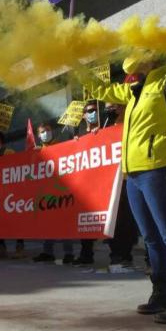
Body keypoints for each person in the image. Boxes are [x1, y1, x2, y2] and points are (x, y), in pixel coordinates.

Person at [86, 54, 166, 324]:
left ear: (150, 57)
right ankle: (161, 293)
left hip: (159, 169)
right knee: (151, 238)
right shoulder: (134, 89)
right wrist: (75, 69)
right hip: (133, 175)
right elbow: (102, 89)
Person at [103, 102, 140, 268]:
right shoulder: (105, 125)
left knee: (128, 219)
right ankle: (116, 253)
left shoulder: (132, 119)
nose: (112, 110)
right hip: (110, 181)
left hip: (128, 177)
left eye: (115, 106)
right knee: (113, 220)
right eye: (108, 108)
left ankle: (126, 253)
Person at [32, 123, 75, 264]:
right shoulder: (38, 151)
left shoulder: (60, 146)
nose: (45, 133)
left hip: (60, 190)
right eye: (42, 132)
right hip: (46, 192)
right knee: (48, 223)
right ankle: (47, 252)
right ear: (38, 136)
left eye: (48, 130)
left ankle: (69, 253)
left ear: (52, 131)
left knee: (64, 223)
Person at [0, 132, 25, 259]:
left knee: (15, 220)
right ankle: (1, 247)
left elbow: (14, 167)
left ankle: (20, 246)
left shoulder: (8, 152)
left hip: (10, 191)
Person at [72, 101, 101, 266]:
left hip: (104, 182)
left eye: (95, 110)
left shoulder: (105, 126)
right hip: (87, 184)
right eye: (89, 111)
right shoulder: (80, 134)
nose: (93, 113)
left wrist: (102, 134)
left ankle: (120, 255)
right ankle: (86, 254)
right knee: (86, 221)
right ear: (83, 116)